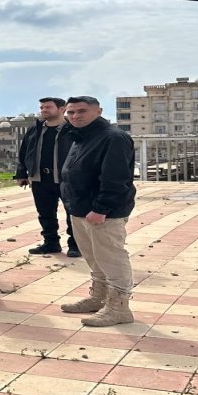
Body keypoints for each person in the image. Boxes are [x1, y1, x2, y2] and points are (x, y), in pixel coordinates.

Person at [58, 96, 137, 326]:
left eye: (82, 111)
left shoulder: (113, 138)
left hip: (103, 212)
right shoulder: (79, 135)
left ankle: (119, 307)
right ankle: (99, 298)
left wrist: (101, 208)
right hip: (80, 208)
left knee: (112, 257)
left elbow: (116, 178)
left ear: (98, 111)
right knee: (94, 257)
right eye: (71, 113)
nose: (75, 116)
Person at [16, 97, 81, 258]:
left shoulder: (72, 129)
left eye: (48, 107)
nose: (44, 110)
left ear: (61, 109)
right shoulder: (35, 129)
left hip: (65, 179)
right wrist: (22, 173)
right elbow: (24, 152)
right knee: (45, 213)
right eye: (42, 107)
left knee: (72, 213)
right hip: (40, 179)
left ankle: (76, 245)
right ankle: (50, 243)